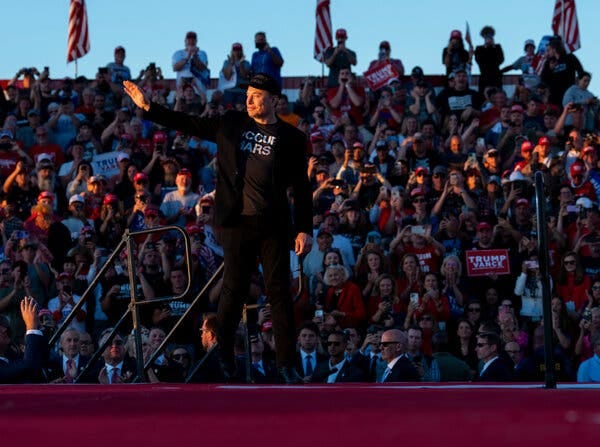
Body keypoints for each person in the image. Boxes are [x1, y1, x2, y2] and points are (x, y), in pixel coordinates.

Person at [123, 73, 313, 383]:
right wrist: (150, 107)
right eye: (247, 94)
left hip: (274, 224)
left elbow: (301, 188)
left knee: (279, 292)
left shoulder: (291, 138)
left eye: (256, 94)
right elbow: (189, 123)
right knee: (233, 289)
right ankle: (223, 351)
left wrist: (305, 228)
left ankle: (287, 363)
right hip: (238, 222)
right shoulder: (231, 123)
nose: (249, 99)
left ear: (274, 100)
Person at [0, 297, 44, 384]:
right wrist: (31, 327)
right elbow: (28, 366)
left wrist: (38, 327)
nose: (4, 329)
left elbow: (40, 360)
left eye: (3, 326)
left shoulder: (13, 356)